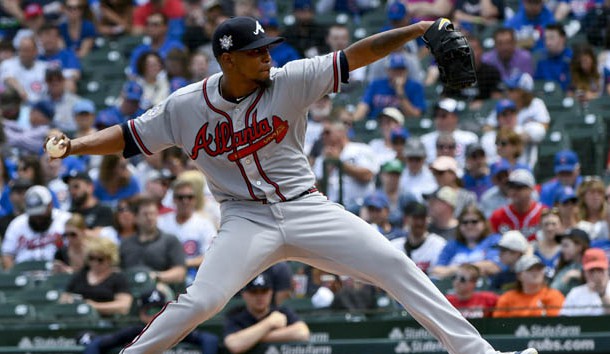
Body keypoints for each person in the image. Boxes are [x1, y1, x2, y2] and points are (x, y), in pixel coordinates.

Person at [45, 16, 537, 354]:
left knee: (393, 263)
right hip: (244, 218)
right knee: (203, 300)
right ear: (228, 59)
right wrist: (75, 146)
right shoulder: (184, 107)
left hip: (306, 207)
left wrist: (419, 29)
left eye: (266, 50)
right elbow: (128, 136)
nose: (266, 58)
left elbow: (356, 54)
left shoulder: (290, 79)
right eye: (256, 52)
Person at [82, 289, 219, 354]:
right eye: (150, 311)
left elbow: (210, 339)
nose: (155, 316)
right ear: (141, 314)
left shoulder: (173, 328)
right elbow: (96, 345)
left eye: (159, 310)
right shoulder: (135, 331)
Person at [223, 273, 310, 354]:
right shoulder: (236, 315)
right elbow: (234, 344)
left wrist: (251, 338)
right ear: (244, 294)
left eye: (264, 291)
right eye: (254, 292)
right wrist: (269, 323)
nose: (260, 297)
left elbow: (303, 333)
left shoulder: (282, 312)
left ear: (271, 292)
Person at [157, 179, 217, 285]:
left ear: (195, 200)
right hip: (166, 272)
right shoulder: (161, 222)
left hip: (194, 274)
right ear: (174, 199)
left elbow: (210, 256)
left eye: (189, 197)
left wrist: (182, 263)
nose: (185, 201)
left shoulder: (204, 224)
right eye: (180, 197)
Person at [119, 196, 186, 287]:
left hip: (160, 287)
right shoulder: (126, 244)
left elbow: (180, 273)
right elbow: (119, 271)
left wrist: (156, 276)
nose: (150, 217)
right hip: (131, 289)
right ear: (135, 217)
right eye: (145, 214)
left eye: (153, 213)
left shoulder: (170, 240)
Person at [1, 185, 71, 270]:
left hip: (57, 275)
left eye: (40, 213)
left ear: (50, 205)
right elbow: (7, 255)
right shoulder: (17, 224)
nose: (37, 218)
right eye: (34, 214)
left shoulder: (65, 220)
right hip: (24, 275)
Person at [60, 236, 133, 316]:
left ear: (110, 259)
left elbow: (124, 306)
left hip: (105, 322)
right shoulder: (80, 275)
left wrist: (94, 306)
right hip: (78, 319)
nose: (95, 263)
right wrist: (70, 301)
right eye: (91, 258)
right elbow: (64, 298)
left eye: (100, 259)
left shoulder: (118, 278)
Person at [430, 205, 502, 279]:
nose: (469, 226)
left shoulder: (494, 240)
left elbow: (494, 267)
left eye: (474, 222)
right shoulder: (452, 245)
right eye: (465, 222)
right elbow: (436, 271)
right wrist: (475, 268)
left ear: (484, 223)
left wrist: (453, 270)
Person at [493, 255, 565, 317]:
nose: (536, 273)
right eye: (530, 270)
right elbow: (498, 324)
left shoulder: (553, 295)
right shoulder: (508, 298)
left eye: (539, 269)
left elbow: (556, 324)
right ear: (519, 275)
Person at [489, 169, 545, 240]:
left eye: (519, 187)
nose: (514, 191)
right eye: (511, 187)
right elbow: (490, 243)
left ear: (531, 189)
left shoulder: (543, 213)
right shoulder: (497, 216)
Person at [560, 248, 610, 316]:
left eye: (599, 270)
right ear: (584, 272)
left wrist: (602, 294)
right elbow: (564, 321)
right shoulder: (575, 293)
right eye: (591, 271)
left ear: (607, 270)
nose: (596, 275)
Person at [550, 228, 589, 295]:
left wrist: (583, 277)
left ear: (579, 247)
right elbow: (552, 291)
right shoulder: (566, 269)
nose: (562, 250)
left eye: (566, 245)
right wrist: (567, 277)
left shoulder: (593, 265)